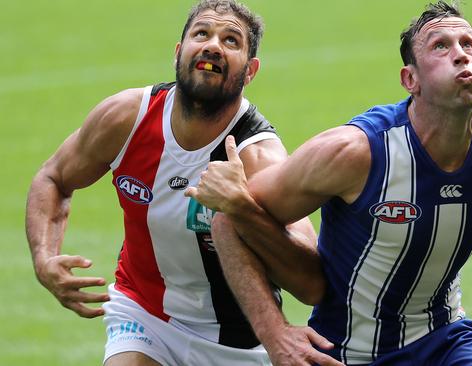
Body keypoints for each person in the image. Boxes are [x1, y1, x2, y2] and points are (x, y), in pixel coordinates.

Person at [185, 1, 472, 365]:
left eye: (469, 44)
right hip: (345, 350)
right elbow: (229, 220)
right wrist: (275, 335)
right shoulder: (354, 152)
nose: (460, 53)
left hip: (445, 339)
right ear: (409, 79)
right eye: (440, 46)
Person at [25, 1, 341, 365]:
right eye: (201, 34)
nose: (212, 46)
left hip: (239, 341)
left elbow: (310, 283)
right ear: (179, 52)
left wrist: (243, 208)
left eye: (231, 40)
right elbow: (53, 177)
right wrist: (45, 258)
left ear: (250, 70)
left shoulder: (258, 157)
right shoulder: (126, 118)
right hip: (144, 315)